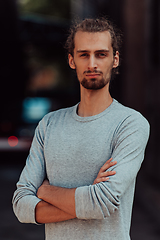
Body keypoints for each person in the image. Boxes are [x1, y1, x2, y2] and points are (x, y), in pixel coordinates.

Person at [12, 18, 150, 240]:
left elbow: (101, 203)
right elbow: (20, 205)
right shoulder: (49, 124)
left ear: (115, 60)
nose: (92, 64)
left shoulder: (130, 124)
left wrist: (45, 191)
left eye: (101, 54)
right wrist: (87, 200)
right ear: (71, 60)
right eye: (84, 54)